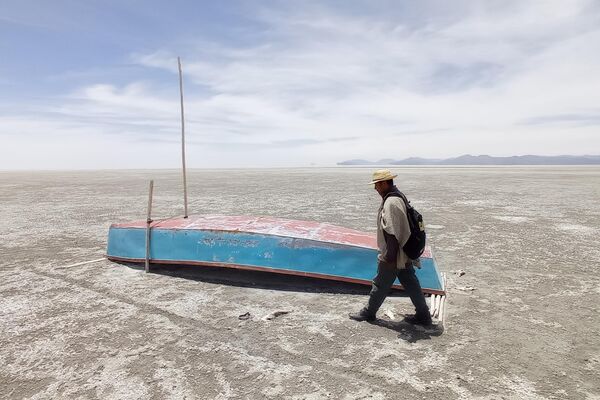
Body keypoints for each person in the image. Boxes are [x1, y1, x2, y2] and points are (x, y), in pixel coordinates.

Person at [349, 169, 432, 326]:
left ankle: (369, 313)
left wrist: (389, 257)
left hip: (395, 253)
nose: (375, 188)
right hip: (404, 250)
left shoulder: (391, 202)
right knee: (411, 282)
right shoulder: (398, 196)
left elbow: (391, 231)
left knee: (380, 283)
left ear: (385, 183)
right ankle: (424, 315)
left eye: (377, 184)